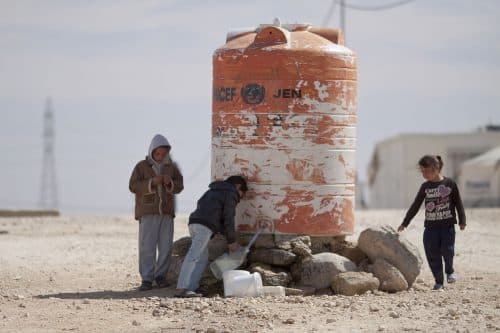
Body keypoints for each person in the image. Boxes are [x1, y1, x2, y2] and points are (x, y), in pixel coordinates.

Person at [398, 155, 466, 290]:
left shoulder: (450, 184)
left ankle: (450, 271)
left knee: (448, 251)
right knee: (432, 254)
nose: (424, 174)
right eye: (422, 171)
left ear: (436, 169)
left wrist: (462, 220)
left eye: (426, 171)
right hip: (430, 229)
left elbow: (458, 203)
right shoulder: (425, 187)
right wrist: (405, 223)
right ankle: (439, 282)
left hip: (447, 227)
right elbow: (415, 206)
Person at [175, 175, 248, 298]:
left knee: (202, 258)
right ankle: (181, 288)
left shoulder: (212, 190)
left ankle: (192, 288)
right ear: (238, 187)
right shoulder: (231, 193)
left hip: (194, 223)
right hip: (205, 227)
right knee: (194, 255)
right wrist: (231, 241)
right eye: (242, 193)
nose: (241, 197)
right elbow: (228, 218)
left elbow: (207, 207)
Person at [129, 134, 184, 291]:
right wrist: (152, 182)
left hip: (166, 213)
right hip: (147, 213)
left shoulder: (172, 167)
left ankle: (160, 277)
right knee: (147, 247)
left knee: (166, 247)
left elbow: (180, 186)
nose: (160, 157)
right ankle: (147, 279)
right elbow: (133, 186)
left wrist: (170, 183)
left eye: (163, 154)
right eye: (157, 153)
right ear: (152, 151)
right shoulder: (141, 166)